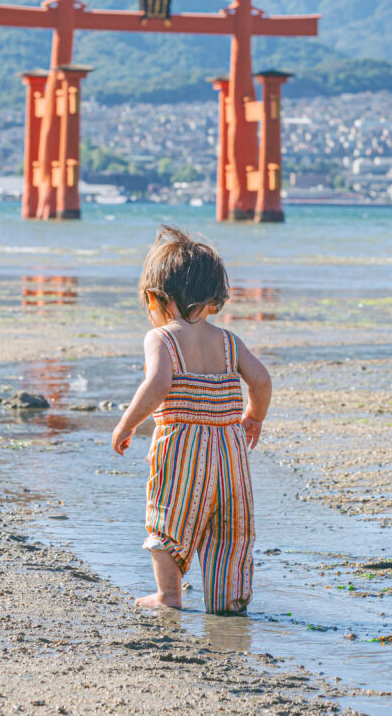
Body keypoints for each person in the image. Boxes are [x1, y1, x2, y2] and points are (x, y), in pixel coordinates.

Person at [111, 226, 272, 614]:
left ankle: (169, 596)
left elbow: (157, 385)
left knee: (168, 520)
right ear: (214, 300)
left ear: (154, 298)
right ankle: (228, 602)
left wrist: (127, 424)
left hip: (184, 449)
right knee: (230, 532)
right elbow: (262, 379)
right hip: (230, 450)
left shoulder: (162, 338)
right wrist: (253, 417)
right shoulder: (228, 341)